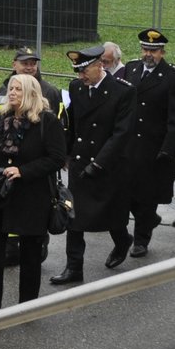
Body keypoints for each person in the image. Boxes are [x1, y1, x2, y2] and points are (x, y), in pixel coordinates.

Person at [0, 74, 66, 317]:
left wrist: (23, 171)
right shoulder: (4, 118)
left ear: (31, 93)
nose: (11, 93)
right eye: (11, 88)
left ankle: (27, 305)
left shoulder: (47, 122)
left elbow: (55, 159)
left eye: (18, 89)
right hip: (3, 196)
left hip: (33, 197)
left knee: (31, 254)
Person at [50, 45, 136, 285]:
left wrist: (99, 163)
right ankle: (74, 267)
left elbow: (121, 134)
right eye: (77, 72)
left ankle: (122, 241)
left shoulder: (122, 91)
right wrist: (65, 153)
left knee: (111, 215)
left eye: (84, 70)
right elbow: (73, 124)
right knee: (74, 217)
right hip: (80, 162)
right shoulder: (77, 87)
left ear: (100, 65)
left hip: (108, 164)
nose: (80, 76)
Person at [117, 30, 175, 258]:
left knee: (147, 198)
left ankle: (141, 240)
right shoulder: (132, 68)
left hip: (153, 148)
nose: (149, 54)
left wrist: (167, 150)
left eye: (154, 51)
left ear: (162, 52)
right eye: (146, 49)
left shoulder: (174, 77)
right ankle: (143, 224)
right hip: (128, 146)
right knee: (125, 195)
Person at [0, 47, 62, 137]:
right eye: (25, 64)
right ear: (14, 65)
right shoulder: (2, 91)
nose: (29, 68)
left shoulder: (49, 92)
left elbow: (56, 128)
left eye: (33, 64)